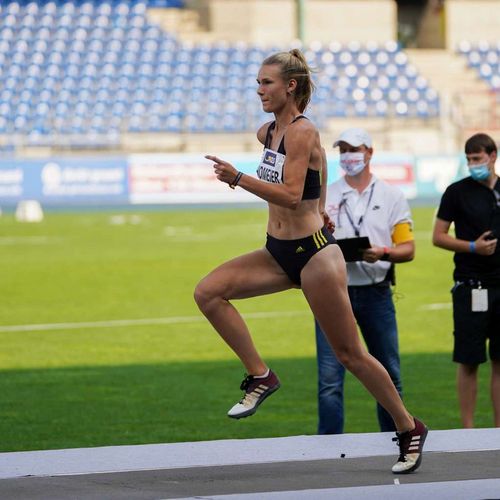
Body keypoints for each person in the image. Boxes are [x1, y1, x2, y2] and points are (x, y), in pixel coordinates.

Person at [194, 48, 427, 474]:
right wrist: (323, 206)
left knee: (350, 354)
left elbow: (289, 193)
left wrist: (238, 178)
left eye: (267, 83)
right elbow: (311, 182)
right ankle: (261, 376)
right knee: (209, 292)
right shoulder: (269, 132)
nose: (259, 90)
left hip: (314, 256)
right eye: (258, 83)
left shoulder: (303, 131)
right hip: (276, 251)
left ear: (291, 86)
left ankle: (408, 426)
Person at [315, 127, 415, 435]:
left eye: (353, 149)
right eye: (342, 149)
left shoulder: (391, 195)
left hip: (376, 293)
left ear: (370, 152)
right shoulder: (326, 194)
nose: (347, 156)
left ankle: (398, 437)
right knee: (329, 381)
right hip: (333, 293)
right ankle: (328, 450)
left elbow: (408, 249)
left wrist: (382, 252)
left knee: (389, 373)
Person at [432, 132, 500, 428]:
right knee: (469, 360)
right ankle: (468, 430)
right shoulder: (456, 192)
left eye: (478, 158)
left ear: (493, 156)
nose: (473, 164)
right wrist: (473, 247)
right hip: (471, 285)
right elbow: (438, 236)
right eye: (469, 159)